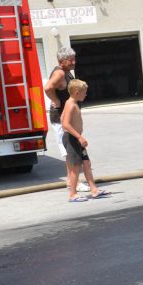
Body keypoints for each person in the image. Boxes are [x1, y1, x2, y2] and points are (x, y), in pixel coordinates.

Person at [45, 46, 88, 192]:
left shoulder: (66, 72)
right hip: (61, 118)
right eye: (71, 60)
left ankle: (71, 181)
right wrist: (56, 101)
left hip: (66, 117)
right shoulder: (59, 73)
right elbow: (48, 87)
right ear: (62, 61)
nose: (74, 62)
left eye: (74, 59)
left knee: (71, 149)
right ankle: (73, 183)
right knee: (70, 151)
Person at [61, 79, 110, 202]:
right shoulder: (71, 105)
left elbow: (62, 117)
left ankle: (94, 190)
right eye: (84, 92)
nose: (86, 94)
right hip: (72, 139)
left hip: (76, 139)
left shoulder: (72, 103)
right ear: (77, 92)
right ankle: (72, 194)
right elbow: (65, 124)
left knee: (86, 163)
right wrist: (79, 137)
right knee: (75, 167)